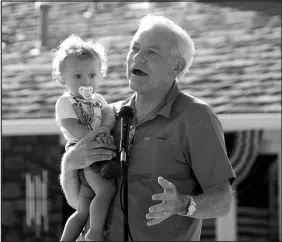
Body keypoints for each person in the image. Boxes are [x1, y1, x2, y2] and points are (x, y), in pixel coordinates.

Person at [59, 15, 236, 241]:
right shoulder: (108, 117)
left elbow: (222, 200)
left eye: (151, 52)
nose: (137, 57)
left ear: (176, 66)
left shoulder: (196, 116)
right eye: (135, 48)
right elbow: (77, 201)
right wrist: (70, 163)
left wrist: (184, 204)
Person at [53, 34, 117, 241]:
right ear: (62, 78)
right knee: (106, 190)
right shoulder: (65, 101)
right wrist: (94, 136)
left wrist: (104, 129)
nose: (86, 81)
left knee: (83, 209)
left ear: (100, 75)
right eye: (78, 76)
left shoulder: (99, 99)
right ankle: (95, 233)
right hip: (82, 150)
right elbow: (71, 125)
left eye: (92, 75)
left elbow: (108, 115)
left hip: (95, 145)